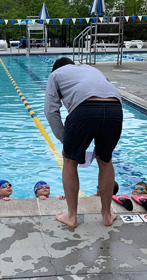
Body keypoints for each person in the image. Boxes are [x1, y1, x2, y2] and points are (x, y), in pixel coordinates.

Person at [44, 57, 123, 228]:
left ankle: (72, 216)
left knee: (70, 161)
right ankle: (107, 214)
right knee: (105, 160)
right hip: (115, 109)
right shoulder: (91, 69)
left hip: (84, 108)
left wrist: (65, 140)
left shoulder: (56, 74)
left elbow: (50, 111)